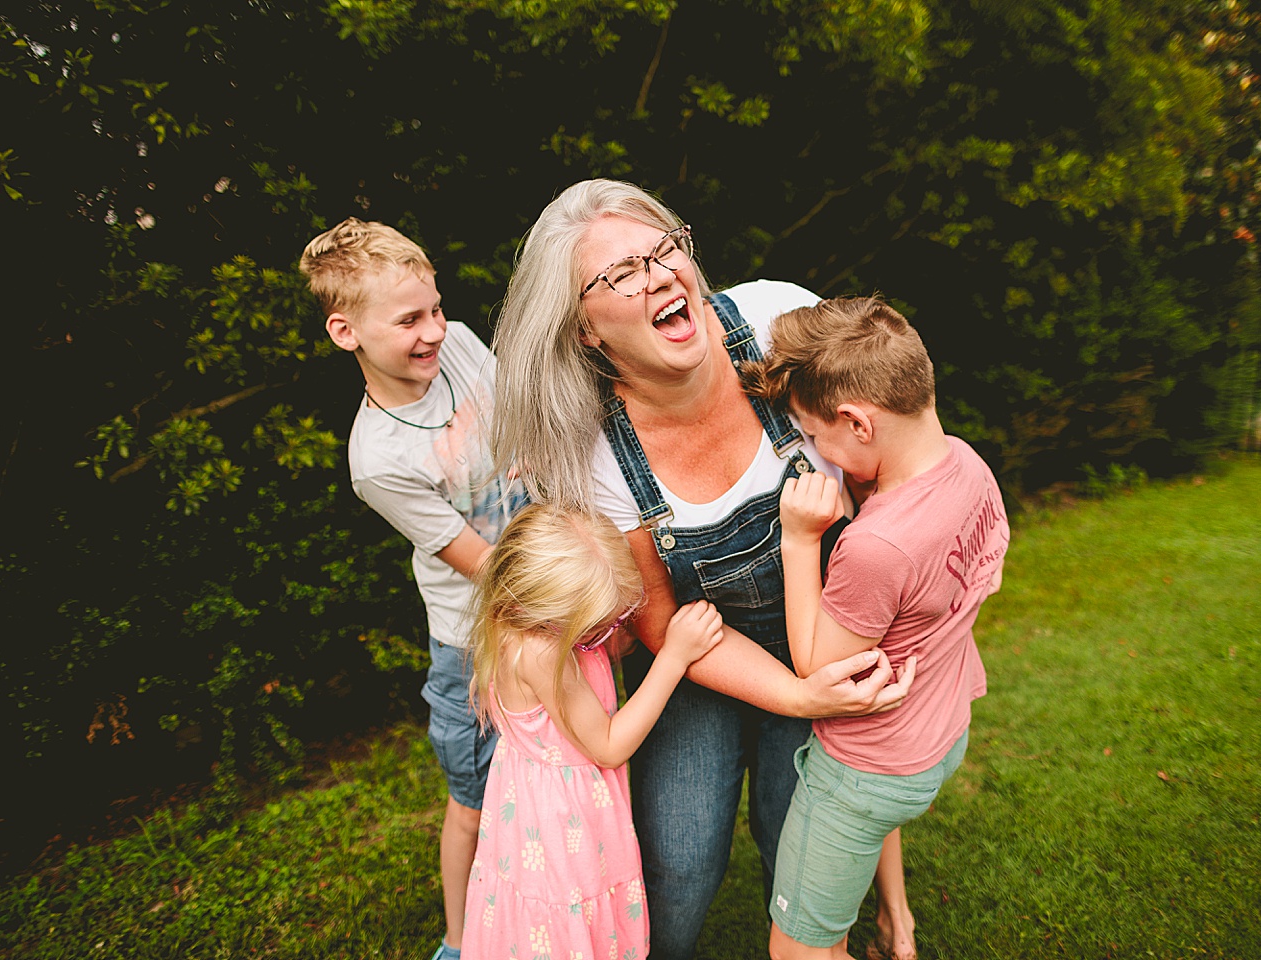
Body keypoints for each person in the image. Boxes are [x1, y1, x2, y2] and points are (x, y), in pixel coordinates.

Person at [490, 179, 914, 959]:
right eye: (619, 274)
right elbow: (654, 615)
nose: (657, 275)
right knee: (679, 859)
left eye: (664, 249)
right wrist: (793, 693)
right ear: (586, 330)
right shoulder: (595, 452)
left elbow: (892, 443)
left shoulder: (776, 320)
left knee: (804, 843)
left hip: (825, 623)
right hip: (696, 650)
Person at [743, 296, 1009, 960]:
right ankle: (899, 926)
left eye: (810, 432)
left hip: (866, 769)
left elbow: (817, 671)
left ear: (857, 421)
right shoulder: (968, 467)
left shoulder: (876, 547)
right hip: (940, 733)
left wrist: (801, 542)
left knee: (801, 948)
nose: (809, 450)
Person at [299, 218, 528, 960]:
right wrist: (578, 589)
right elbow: (482, 562)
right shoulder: (379, 458)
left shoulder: (460, 343)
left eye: (434, 308)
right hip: (477, 641)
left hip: (552, 601)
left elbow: (526, 432)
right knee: (475, 799)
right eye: (408, 320)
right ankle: (461, 943)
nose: (434, 330)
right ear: (347, 332)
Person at [461, 504, 725, 959]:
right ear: (544, 612)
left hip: (531, 804)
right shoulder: (543, 653)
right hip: (564, 824)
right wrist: (673, 657)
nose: (608, 634)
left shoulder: (519, 623)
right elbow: (608, 745)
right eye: (598, 627)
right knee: (568, 923)